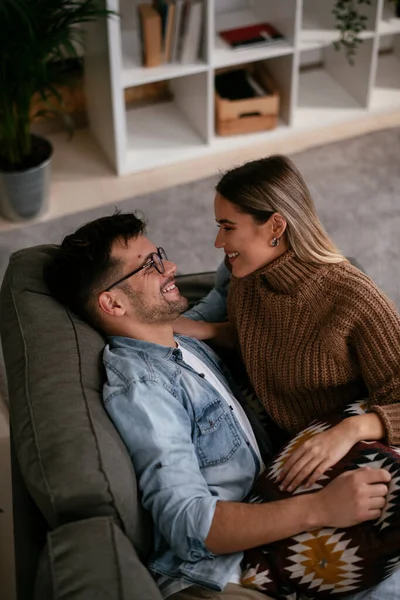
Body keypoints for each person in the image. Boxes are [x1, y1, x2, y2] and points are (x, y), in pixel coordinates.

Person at [45, 212, 396, 600]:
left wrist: (251, 232)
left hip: (272, 511)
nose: (171, 266)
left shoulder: (174, 338)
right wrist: (321, 508)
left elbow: (227, 292)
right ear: (111, 302)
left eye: (158, 254)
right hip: (224, 574)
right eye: (149, 265)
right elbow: (189, 524)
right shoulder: (143, 389)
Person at [174, 154, 400, 494]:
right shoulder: (248, 279)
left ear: (276, 227)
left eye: (228, 227)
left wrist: (349, 430)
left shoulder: (354, 299)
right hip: (282, 443)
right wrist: (204, 330)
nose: (219, 242)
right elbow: (261, 339)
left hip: (344, 443)